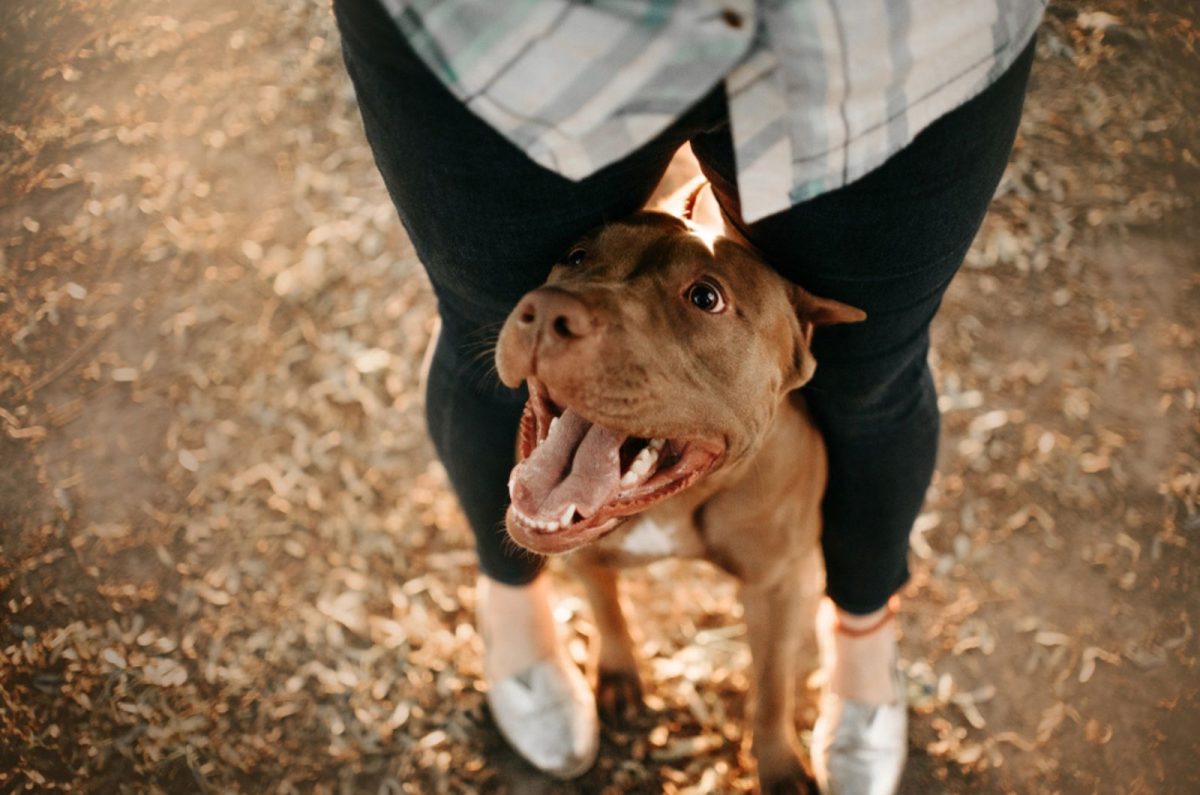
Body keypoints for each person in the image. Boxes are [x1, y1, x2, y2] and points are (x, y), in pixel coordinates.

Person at [332, 1, 1043, 791]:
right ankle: (527, 610)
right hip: (519, 37)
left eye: (704, 300)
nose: (546, 308)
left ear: (800, 349)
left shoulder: (786, 404)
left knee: (877, 376)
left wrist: (770, 737)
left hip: (884, 51)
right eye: (573, 265)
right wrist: (616, 643)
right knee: (484, 335)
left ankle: (857, 644)